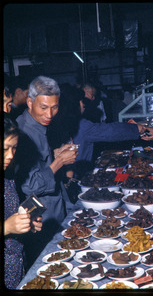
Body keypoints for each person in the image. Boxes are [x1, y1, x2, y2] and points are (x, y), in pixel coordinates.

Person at [14, 76, 78, 269]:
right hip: (41, 217)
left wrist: (54, 154)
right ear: (29, 102)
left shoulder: (39, 125)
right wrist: (59, 161)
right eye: (43, 107)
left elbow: (39, 162)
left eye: (55, 107)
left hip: (56, 208)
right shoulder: (22, 132)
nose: (49, 114)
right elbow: (29, 185)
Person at [61, 90, 145, 179]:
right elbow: (109, 131)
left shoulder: (62, 122)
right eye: (81, 101)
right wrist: (135, 128)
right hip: (76, 176)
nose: (83, 104)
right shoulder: (80, 125)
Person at [4, 117, 42, 289]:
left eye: (14, 148)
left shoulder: (8, 176)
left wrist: (27, 223)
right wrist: (6, 227)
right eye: (4, 149)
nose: (10, 156)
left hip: (16, 266)